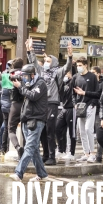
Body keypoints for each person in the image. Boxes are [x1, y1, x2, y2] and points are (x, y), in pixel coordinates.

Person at [26, 38, 69, 166]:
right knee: (43, 130)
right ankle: (45, 155)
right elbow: (33, 63)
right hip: (43, 104)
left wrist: (70, 55)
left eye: (48, 61)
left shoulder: (58, 72)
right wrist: (30, 49)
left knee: (50, 130)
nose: (45, 63)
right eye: (45, 61)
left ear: (54, 62)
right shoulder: (42, 71)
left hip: (52, 104)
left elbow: (67, 66)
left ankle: (52, 156)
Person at [9, 64, 49, 182]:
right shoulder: (28, 84)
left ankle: (18, 173)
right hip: (27, 119)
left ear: (32, 75)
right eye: (23, 76)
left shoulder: (40, 84)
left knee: (29, 147)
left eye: (26, 76)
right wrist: (16, 86)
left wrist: (20, 87)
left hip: (37, 120)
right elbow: (17, 98)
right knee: (34, 149)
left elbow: (33, 96)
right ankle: (42, 174)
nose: (24, 78)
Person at [70, 56, 100, 163]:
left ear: (85, 65)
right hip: (79, 107)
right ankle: (86, 153)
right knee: (81, 131)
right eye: (77, 66)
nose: (78, 67)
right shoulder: (75, 77)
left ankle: (92, 153)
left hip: (90, 106)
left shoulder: (92, 77)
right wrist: (74, 104)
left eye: (80, 65)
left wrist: (85, 93)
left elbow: (97, 93)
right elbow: (72, 93)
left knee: (88, 129)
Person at [7, 58, 25, 158]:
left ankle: (18, 148)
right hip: (25, 103)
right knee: (25, 129)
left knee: (11, 129)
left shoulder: (11, 74)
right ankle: (27, 150)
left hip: (15, 104)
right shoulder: (25, 73)